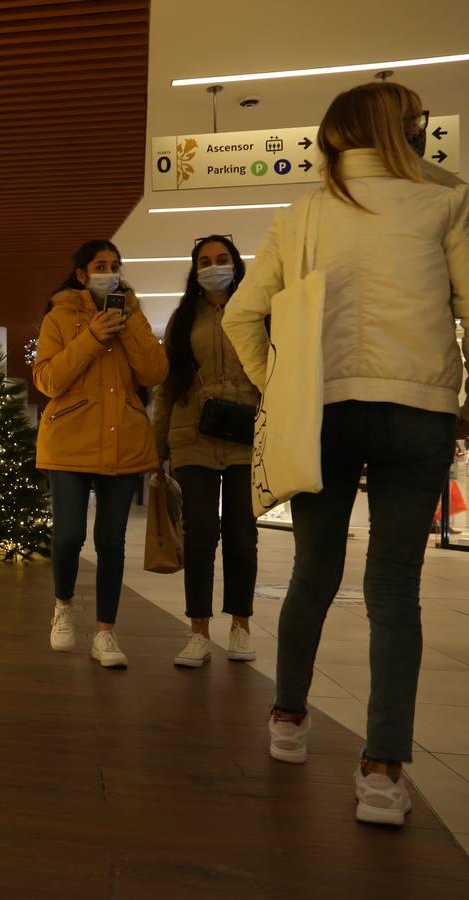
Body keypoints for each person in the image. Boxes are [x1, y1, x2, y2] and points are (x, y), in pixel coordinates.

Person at [222, 81, 469, 826]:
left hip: (325, 411)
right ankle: (383, 772)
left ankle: (289, 719)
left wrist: (281, 388)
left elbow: (242, 312)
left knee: (314, 572)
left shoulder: (302, 214)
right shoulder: (445, 202)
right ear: (405, 131)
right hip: (419, 409)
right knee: (395, 590)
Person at [34, 240, 168, 668]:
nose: (109, 272)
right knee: (70, 534)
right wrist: (92, 336)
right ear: (81, 275)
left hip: (122, 441)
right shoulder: (59, 317)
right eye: (100, 266)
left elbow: (155, 372)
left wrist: (127, 326)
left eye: (115, 265)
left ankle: (106, 633)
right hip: (69, 439)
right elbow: (48, 380)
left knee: (112, 541)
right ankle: (63, 608)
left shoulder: (134, 315)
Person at [152, 235, 260, 668]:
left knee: (242, 535)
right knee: (199, 536)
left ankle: (241, 624)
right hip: (191, 435)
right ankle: (197, 630)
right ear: (195, 270)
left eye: (222, 259)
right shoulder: (183, 320)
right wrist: (155, 449)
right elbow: (167, 387)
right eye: (205, 261)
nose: (214, 266)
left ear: (236, 265)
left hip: (244, 435)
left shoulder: (257, 311)